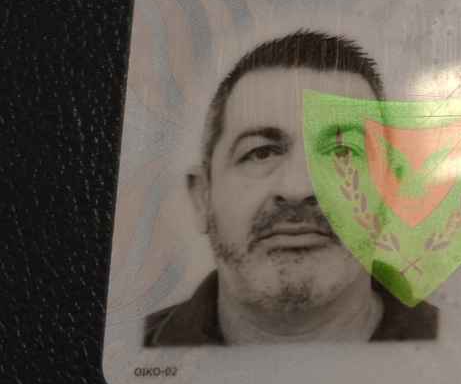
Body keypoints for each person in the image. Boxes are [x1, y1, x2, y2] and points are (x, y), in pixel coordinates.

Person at [144, 30, 437, 346]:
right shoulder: (125, 351)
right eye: (261, 152)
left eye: (342, 153)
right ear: (202, 198)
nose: (298, 188)